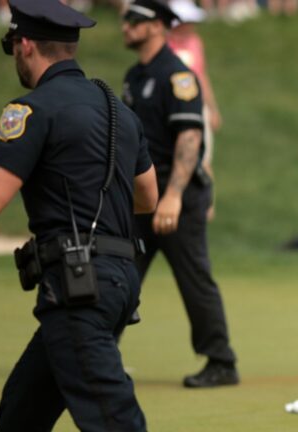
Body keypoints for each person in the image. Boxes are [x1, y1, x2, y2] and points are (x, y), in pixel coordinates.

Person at [0, 0, 159, 429]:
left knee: (113, 419)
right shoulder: (121, 113)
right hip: (119, 280)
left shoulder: (32, 110)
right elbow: (147, 197)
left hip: (77, 287)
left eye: (13, 46)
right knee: (21, 412)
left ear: (25, 45)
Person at [122, 0, 238, 388]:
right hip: (144, 198)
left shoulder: (178, 76)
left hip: (179, 197)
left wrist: (172, 196)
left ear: (157, 25)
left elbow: (191, 137)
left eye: (134, 20)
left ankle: (221, 362)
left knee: (194, 278)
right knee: (119, 274)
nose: (125, 26)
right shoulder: (135, 76)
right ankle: (98, 352)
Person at [167, 0, 222, 221]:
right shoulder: (165, 45)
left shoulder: (194, 42)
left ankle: (206, 206)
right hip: (174, 111)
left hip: (197, 109)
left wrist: (213, 108)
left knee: (204, 157)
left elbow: (202, 76)